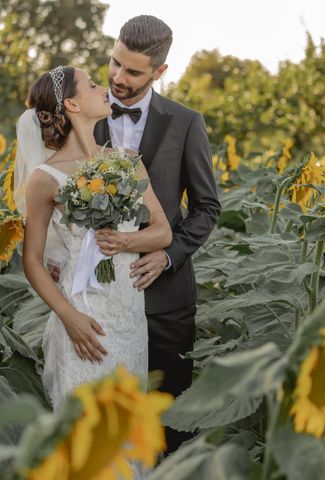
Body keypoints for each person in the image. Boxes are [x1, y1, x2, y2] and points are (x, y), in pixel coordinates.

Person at [18, 65, 173, 477]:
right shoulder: (44, 179)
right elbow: (31, 261)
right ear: (71, 104)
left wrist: (125, 241)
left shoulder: (126, 163)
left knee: (127, 431)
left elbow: (162, 231)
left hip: (129, 316)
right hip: (82, 315)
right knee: (84, 437)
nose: (104, 88)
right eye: (92, 85)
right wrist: (69, 319)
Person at [93, 15, 221, 455]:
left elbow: (207, 208)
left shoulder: (186, 123)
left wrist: (168, 256)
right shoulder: (82, 110)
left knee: (171, 424)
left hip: (166, 300)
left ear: (160, 72)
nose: (116, 77)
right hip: (97, 295)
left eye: (132, 71)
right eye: (114, 63)